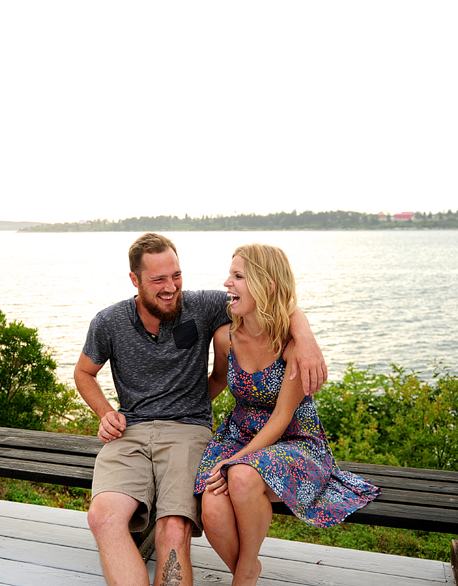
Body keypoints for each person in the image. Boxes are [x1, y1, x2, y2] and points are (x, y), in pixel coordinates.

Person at [74, 233, 327, 586]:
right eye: (158, 279)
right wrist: (105, 412)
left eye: (176, 276)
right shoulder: (109, 321)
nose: (170, 287)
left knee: (173, 525)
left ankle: (244, 572)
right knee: (103, 518)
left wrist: (307, 338)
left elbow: (274, 297)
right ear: (135, 280)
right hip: (128, 431)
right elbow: (83, 373)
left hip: (187, 431)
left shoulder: (202, 306)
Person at [194, 244, 380, 586]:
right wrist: (178, 412)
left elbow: (281, 419)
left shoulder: (293, 345)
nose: (226, 283)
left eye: (238, 277)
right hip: (238, 435)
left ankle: (245, 573)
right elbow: (219, 379)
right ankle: (246, 571)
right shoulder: (225, 338)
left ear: (267, 286)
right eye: (230, 274)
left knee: (240, 477)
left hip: (292, 438)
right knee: (212, 507)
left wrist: (233, 461)